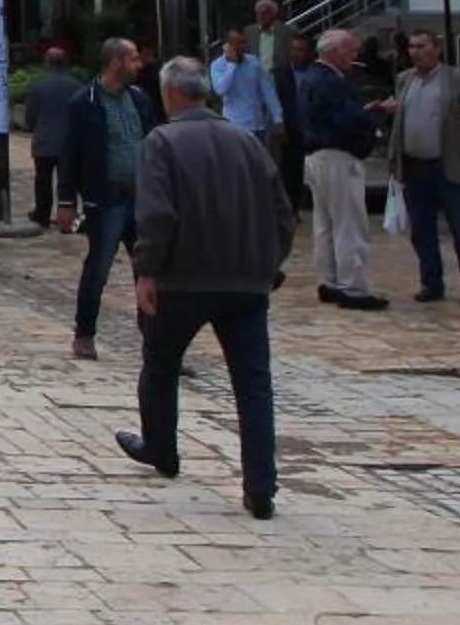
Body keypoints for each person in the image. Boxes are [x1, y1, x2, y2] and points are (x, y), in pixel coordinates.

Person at [111, 55, 296, 520]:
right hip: (245, 282)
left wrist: (147, 270)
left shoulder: (163, 141)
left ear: (170, 93)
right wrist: (267, 264)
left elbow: (155, 214)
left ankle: (161, 448)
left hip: (184, 279)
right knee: (253, 383)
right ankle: (261, 485)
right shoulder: (245, 141)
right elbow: (283, 214)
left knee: (160, 364)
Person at [59, 38, 158, 361]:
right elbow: (70, 154)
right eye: (132, 59)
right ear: (115, 62)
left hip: (142, 197)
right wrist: (65, 201)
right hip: (107, 198)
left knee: (149, 270)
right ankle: (84, 333)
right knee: (98, 267)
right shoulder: (84, 102)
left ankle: (157, 343)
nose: (139, 65)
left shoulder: (139, 99)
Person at [384, 30, 460, 305]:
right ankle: (431, 282)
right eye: (412, 46)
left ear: (437, 49)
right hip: (414, 167)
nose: (415, 51)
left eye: (421, 46)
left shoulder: (458, 78)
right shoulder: (404, 79)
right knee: (421, 231)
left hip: (449, 166)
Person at [297, 28, 389, 309]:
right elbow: (347, 121)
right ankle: (353, 286)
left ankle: (329, 280)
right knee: (349, 221)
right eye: (350, 50)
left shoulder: (311, 77)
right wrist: (378, 113)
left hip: (315, 156)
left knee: (324, 222)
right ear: (334, 52)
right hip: (337, 155)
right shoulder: (330, 81)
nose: (355, 56)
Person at [23, 46, 82, 226]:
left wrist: (35, 128)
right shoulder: (75, 85)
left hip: (44, 139)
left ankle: (42, 213)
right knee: (68, 180)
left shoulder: (37, 84)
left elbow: (30, 114)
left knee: (43, 179)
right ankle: (67, 214)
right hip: (69, 141)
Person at [209, 28, 282, 147]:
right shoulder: (217, 65)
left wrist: (278, 117)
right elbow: (220, 89)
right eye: (236, 44)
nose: (241, 47)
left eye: (242, 42)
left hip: (257, 125)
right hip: (234, 125)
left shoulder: (254, 62)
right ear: (227, 46)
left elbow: (268, 90)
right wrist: (232, 65)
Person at [273, 30, 315, 209]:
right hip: (290, 127)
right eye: (294, 49)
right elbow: (275, 100)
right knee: (290, 168)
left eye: (301, 50)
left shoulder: (315, 72)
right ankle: (291, 206)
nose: (296, 54)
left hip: (311, 127)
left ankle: (307, 201)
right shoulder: (281, 73)